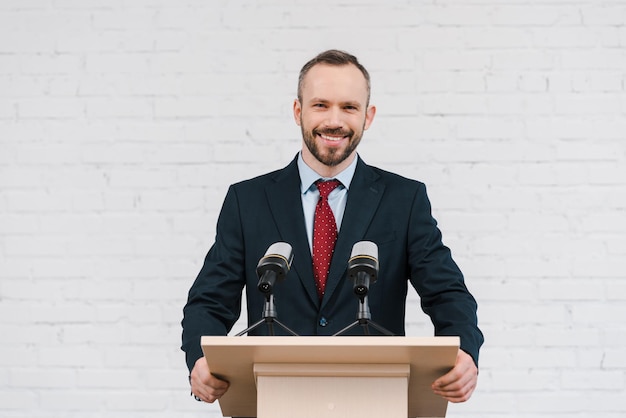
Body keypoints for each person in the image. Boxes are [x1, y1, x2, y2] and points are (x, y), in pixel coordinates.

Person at [181, 49, 484, 407]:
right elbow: (210, 300)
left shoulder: (405, 200)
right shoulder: (247, 201)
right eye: (321, 105)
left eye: (349, 107)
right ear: (298, 112)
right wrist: (200, 360)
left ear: (368, 116)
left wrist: (464, 352)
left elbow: (447, 293)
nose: (334, 120)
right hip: (276, 399)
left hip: (374, 399)